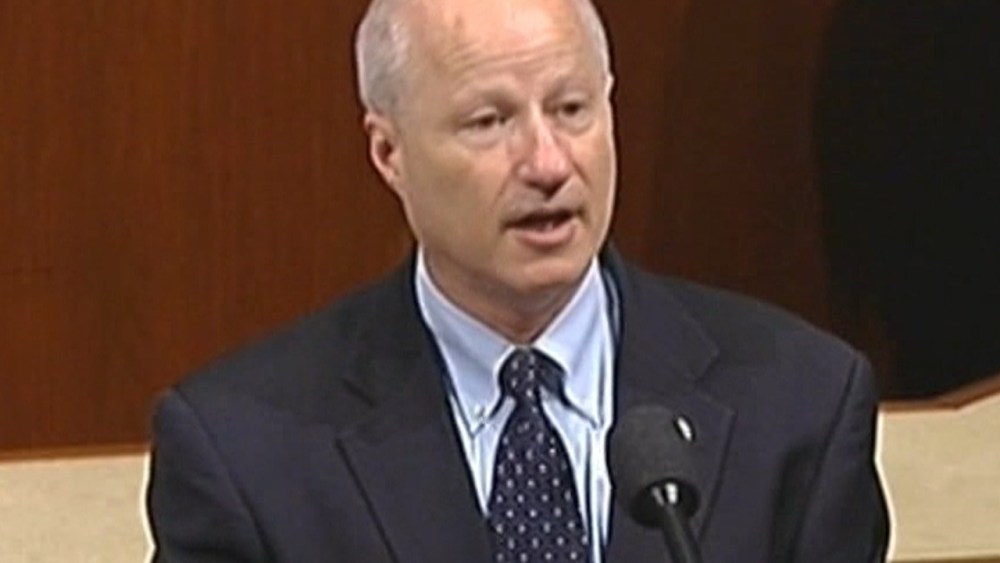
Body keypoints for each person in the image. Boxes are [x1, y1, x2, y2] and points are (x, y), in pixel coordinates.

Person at [145, 0, 890, 561]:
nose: (548, 163)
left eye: (571, 110)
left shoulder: (800, 406)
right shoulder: (244, 453)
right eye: (488, 121)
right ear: (388, 152)